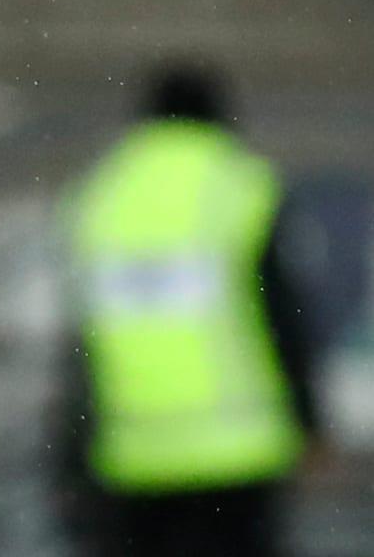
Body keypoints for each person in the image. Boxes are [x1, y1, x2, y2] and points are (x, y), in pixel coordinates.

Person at [62, 63, 322, 557]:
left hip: (132, 454)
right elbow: (282, 310)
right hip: (238, 448)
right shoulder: (241, 184)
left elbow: (80, 339)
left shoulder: (100, 193)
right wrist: (309, 417)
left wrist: (73, 453)